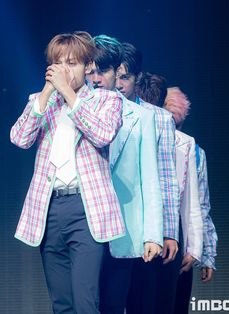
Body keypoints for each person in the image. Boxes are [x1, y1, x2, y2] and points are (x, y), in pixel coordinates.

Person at [10, 31, 125, 314]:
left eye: (72, 63)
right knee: (62, 304)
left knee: (85, 301)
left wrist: (69, 94)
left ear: (87, 66)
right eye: (58, 63)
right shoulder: (40, 101)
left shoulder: (106, 101)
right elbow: (20, 138)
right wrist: (49, 92)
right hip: (49, 209)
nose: (64, 70)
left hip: (85, 209)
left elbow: (102, 134)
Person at [86, 35, 163, 314]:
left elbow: (149, 179)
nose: (96, 79)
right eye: (90, 70)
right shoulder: (75, 110)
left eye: (104, 71)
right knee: (80, 301)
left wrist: (153, 235)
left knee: (113, 303)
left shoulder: (141, 117)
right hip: (84, 225)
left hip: (122, 226)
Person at [115, 44, 180, 314]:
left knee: (142, 301)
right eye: (114, 76)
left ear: (137, 78)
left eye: (125, 77)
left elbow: (166, 177)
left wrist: (168, 231)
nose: (118, 84)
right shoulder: (95, 110)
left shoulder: (159, 118)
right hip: (106, 221)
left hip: (143, 224)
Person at [164, 87, 218, 314]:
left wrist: (206, 254)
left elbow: (201, 204)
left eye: (176, 125)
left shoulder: (194, 151)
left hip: (183, 243)